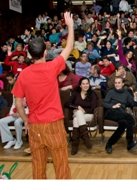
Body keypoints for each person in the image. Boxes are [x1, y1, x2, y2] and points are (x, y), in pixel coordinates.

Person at [11, 12, 74, 179]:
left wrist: (26, 121)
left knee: (38, 168)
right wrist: (70, 26)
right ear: (45, 53)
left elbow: (18, 104)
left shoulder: (23, 75)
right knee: (61, 166)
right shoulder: (52, 67)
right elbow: (68, 47)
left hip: (35, 125)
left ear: (29, 55)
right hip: (53, 124)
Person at [103, 77, 137, 154]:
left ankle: (109, 144)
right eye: (116, 83)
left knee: (124, 124)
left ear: (122, 84)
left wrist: (135, 96)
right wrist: (113, 106)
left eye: (119, 83)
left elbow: (133, 104)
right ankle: (130, 142)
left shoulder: (126, 93)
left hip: (121, 113)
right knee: (130, 118)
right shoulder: (111, 92)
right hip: (111, 112)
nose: (117, 84)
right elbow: (104, 103)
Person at [68, 77, 98, 155]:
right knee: (78, 113)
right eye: (83, 84)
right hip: (78, 114)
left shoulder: (92, 94)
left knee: (76, 118)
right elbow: (67, 104)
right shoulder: (75, 93)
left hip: (89, 115)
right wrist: (77, 107)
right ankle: (85, 138)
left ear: (89, 84)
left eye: (87, 83)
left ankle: (75, 144)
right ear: (80, 85)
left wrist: (83, 111)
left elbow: (93, 107)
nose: (85, 85)